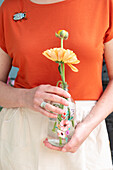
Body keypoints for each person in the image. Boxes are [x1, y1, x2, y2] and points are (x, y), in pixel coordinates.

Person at [0, 0, 113, 169]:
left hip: (83, 132)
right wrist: (25, 97)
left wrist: (86, 126)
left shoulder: (104, 4)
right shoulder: (11, 7)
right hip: (23, 134)